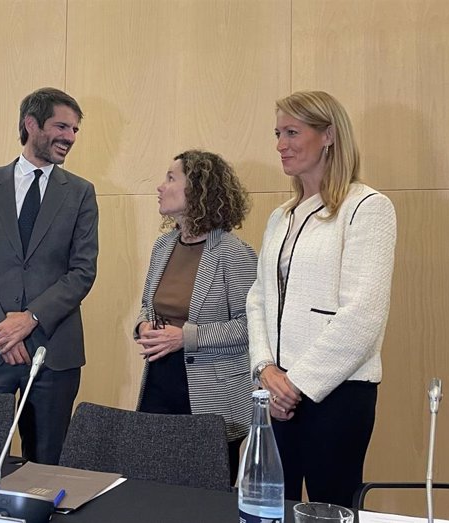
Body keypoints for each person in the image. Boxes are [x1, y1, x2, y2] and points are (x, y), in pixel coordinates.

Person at [247, 91, 397, 506]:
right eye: (278, 133)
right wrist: (266, 369)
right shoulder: (282, 215)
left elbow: (363, 315)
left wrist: (293, 385)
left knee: (331, 508)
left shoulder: (367, 207)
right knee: (272, 506)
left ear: (328, 135)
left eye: (292, 132)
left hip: (337, 392)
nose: (281, 144)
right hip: (276, 389)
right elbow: (258, 298)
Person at [0, 87, 98, 465]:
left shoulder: (81, 193)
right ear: (31, 124)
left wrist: (28, 320)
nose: (69, 137)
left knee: (45, 469)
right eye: (61, 126)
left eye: (74, 130)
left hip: (53, 355)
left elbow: (82, 272)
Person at [134, 150, 257, 485]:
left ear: (198, 189)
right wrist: (143, 326)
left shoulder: (233, 252)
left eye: (171, 178)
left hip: (211, 393)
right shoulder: (163, 245)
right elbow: (148, 305)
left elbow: (250, 327)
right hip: (159, 383)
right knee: (152, 489)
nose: (160, 186)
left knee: (205, 499)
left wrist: (185, 337)